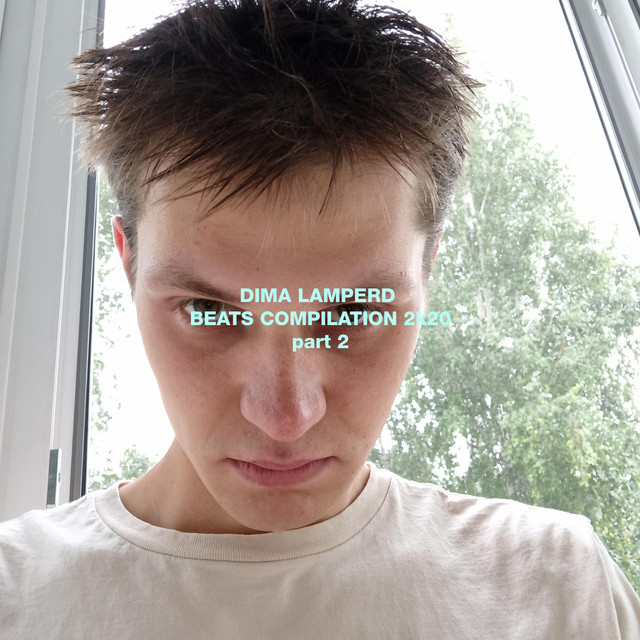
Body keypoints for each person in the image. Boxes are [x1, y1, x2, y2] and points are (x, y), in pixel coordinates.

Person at [1, 0, 639, 637]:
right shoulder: (14, 596)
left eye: (356, 311)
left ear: (428, 272)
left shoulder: (558, 588)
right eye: (207, 310)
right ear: (128, 263)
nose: (285, 416)